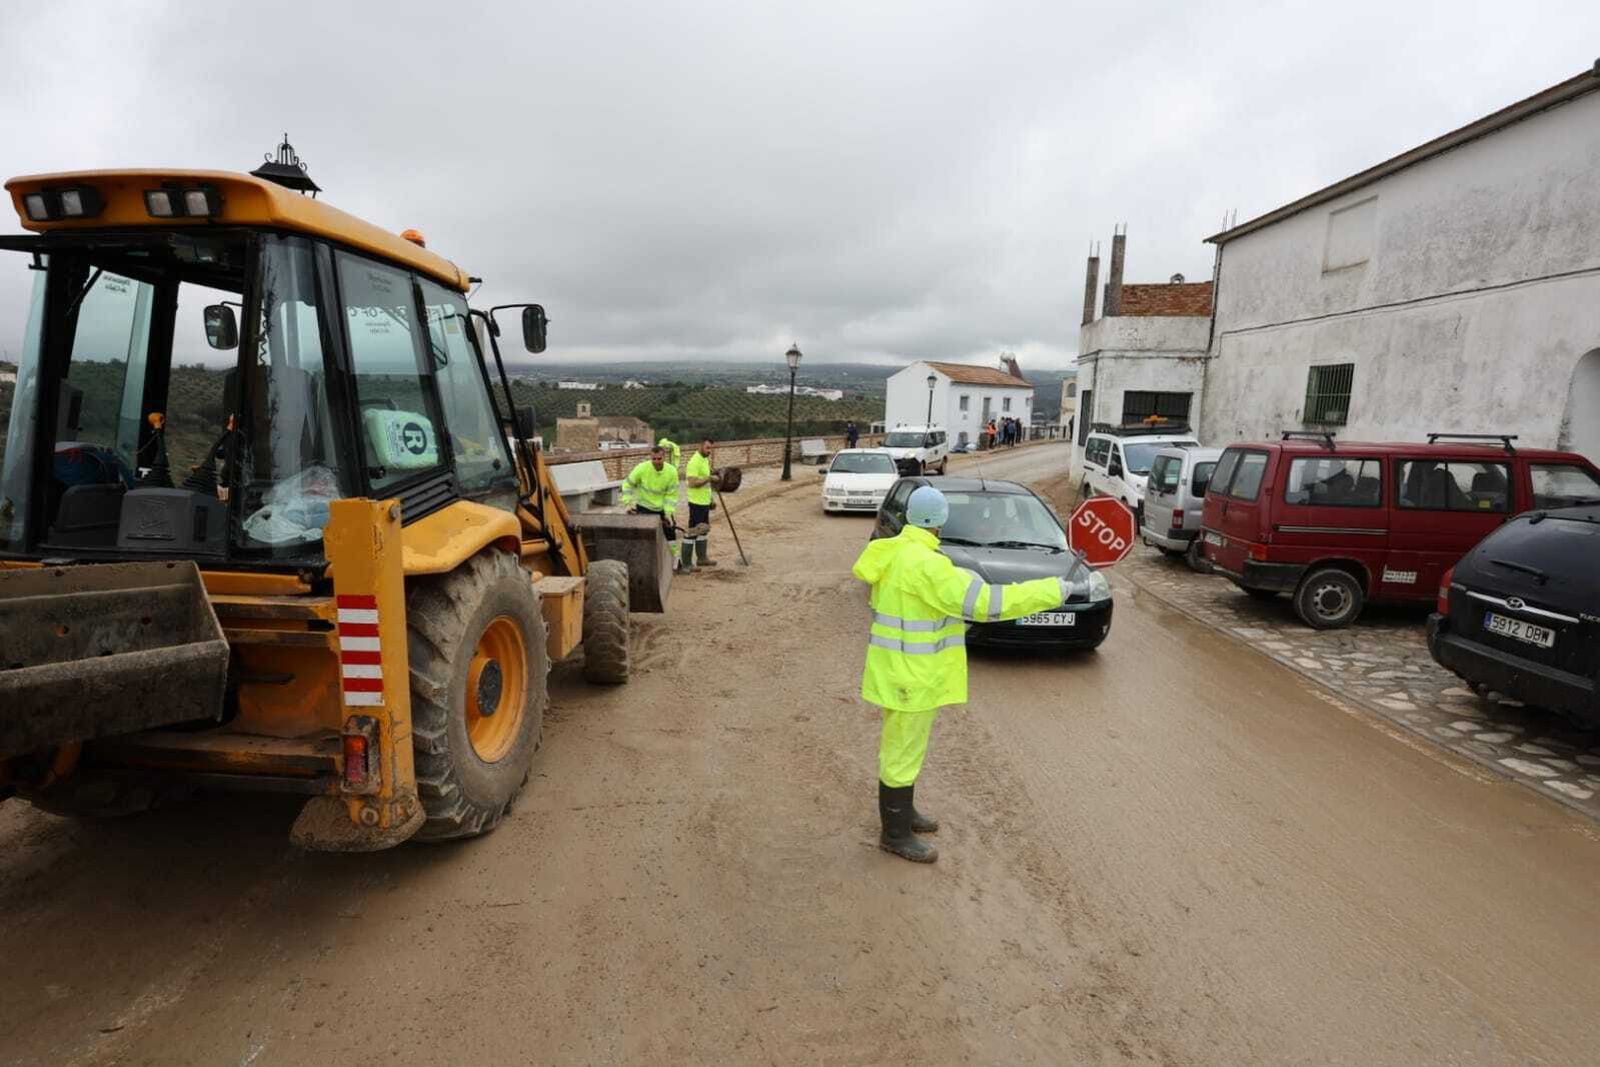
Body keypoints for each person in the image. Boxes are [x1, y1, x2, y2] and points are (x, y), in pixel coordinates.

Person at [851, 485, 1072, 863]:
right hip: (913, 677)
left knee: (904, 746)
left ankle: (904, 813)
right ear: (939, 522)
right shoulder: (928, 566)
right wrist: (1052, 590)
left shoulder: (894, 552)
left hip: (896, 671)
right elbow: (986, 604)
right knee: (902, 751)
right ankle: (895, 833)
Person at [622, 445, 681, 567]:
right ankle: (642, 563)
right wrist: (628, 504)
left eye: (659, 459)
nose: (656, 462)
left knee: (670, 534)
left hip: (662, 509)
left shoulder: (671, 472)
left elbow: (672, 495)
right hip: (644, 507)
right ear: (650, 457)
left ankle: (675, 562)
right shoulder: (641, 469)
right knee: (643, 536)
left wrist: (668, 514)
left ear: (664, 457)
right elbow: (627, 485)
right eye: (654, 459)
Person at [682, 437, 718, 572]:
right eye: (707, 448)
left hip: (704, 502)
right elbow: (692, 483)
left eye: (711, 448)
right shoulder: (694, 461)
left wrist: (711, 500)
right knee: (692, 531)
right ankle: (686, 563)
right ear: (700, 446)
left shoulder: (705, 460)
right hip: (696, 503)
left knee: (703, 529)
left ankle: (702, 558)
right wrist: (708, 478)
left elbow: (706, 485)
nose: (710, 451)